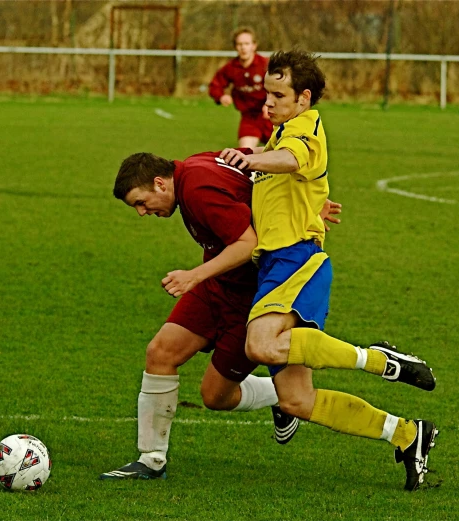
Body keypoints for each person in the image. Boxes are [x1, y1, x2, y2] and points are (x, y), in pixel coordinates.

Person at [220, 50, 438, 491]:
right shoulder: (282, 130)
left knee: (261, 345)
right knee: (298, 400)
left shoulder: (306, 128)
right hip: (276, 264)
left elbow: (294, 161)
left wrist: (252, 159)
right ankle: (408, 434)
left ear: (303, 97)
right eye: (267, 93)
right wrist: (311, 201)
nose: (269, 102)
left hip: (297, 260)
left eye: (278, 94)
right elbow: (292, 182)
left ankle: (382, 361)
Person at [100, 150, 341, 481]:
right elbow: (258, 168)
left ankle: (279, 395)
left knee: (215, 396)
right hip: (219, 285)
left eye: (141, 203)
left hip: (252, 298)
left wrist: (194, 275)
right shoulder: (197, 164)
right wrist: (306, 207)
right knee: (160, 352)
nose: (142, 212)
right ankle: (151, 459)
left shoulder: (198, 190)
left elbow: (247, 243)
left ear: (159, 183)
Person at [208, 28, 273, 148]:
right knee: (244, 153)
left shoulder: (265, 65)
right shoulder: (231, 68)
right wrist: (221, 96)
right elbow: (215, 85)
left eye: (247, 44)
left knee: (284, 154)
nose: (243, 48)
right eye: (239, 44)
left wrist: (271, 103)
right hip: (249, 119)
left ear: (254, 46)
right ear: (235, 47)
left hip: (273, 116)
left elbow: (281, 87)